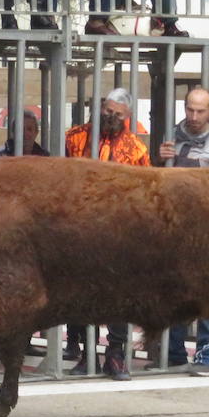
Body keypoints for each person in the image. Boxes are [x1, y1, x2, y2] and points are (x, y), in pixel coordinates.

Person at [147, 86, 209, 374]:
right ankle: (173, 353)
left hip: (208, 229)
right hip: (173, 228)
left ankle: (205, 354)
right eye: (190, 109)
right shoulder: (172, 136)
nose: (194, 116)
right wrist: (159, 160)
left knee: (207, 295)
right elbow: (156, 180)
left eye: (200, 111)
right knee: (174, 291)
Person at [63, 87, 149, 379]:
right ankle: (86, 353)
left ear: (128, 116)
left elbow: (144, 192)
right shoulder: (75, 137)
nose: (111, 117)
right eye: (108, 111)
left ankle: (115, 354)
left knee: (119, 294)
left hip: (119, 230)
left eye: (118, 115)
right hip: (81, 226)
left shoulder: (137, 149)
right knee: (82, 292)